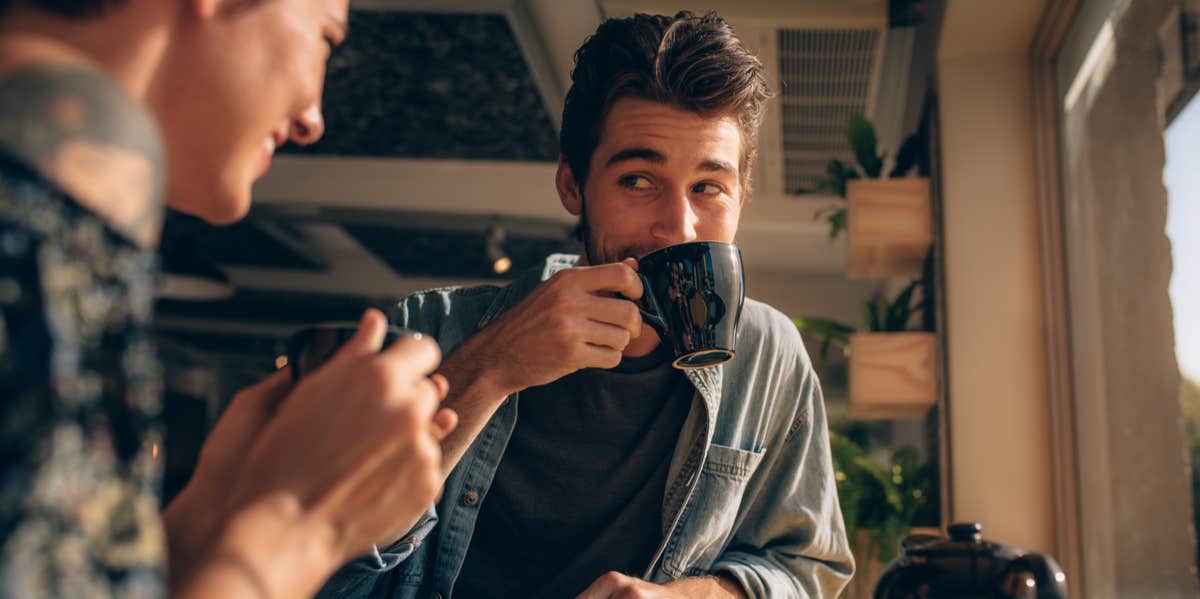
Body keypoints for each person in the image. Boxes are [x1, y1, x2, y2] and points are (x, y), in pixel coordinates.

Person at [320, 11, 854, 599]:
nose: (677, 228)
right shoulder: (425, 333)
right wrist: (493, 366)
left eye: (708, 187)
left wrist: (693, 597)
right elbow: (328, 564)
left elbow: (809, 569)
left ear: (741, 198)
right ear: (572, 185)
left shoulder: (767, 354)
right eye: (638, 181)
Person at [0, 1, 456, 598]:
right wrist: (304, 522)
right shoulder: (42, 203)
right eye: (326, 36)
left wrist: (215, 509)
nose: (312, 120)